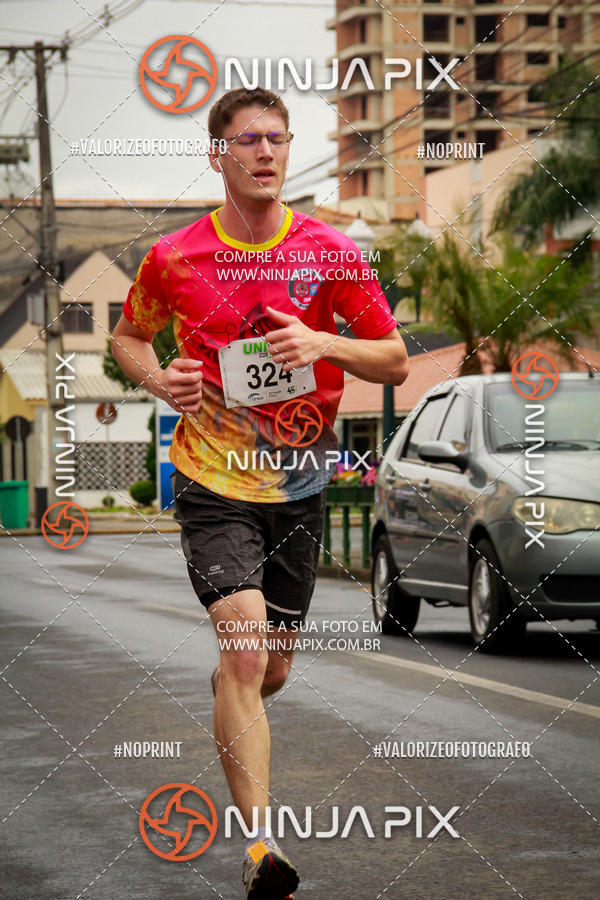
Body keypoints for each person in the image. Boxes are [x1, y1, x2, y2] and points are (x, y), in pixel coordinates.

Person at [112, 86, 408, 899]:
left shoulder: (332, 252)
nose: (266, 153)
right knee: (244, 647)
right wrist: (154, 376)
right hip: (212, 479)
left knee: (269, 671)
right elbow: (129, 337)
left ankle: (236, 687)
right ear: (220, 155)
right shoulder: (174, 258)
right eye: (248, 140)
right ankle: (260, 849)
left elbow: (394, 362)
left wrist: (323, 342)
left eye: (277, 138)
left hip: (300, 482)